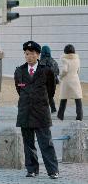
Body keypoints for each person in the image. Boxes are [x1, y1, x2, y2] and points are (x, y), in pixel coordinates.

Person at [14, 41, 59, 179]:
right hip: (25, 112)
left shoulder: (46, 70)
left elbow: (51, 91)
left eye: (32, 54)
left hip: (41, 112)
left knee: (46, 143)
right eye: (27, 54)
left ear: (38, 54)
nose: (29, 56)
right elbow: (19, 89)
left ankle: (53, 170)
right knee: (28, 144)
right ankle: (31, 169)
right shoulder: (19, 71)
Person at [57, 44, 83, 121]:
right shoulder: (77, 59)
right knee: (78, 99)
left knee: (64, 98)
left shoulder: (65, 59)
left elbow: (65, 70)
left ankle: (60, 116)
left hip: (67, 81)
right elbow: (78, 70)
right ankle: (79, 116)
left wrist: (60, 76)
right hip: (75, 80)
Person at [40, 45, 59, 113]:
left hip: (45, 82)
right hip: (53, 82)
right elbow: (57, 71)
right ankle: (53, 109)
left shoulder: (42, 61)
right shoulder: (54, 61)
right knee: (50, 96)